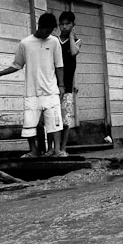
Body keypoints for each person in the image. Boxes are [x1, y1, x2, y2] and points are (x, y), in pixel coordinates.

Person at [0, 13, 65, 157]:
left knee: (55, 121)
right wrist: (0, 73)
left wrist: (61, 86)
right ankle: (33, 151)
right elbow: (17, 64)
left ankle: (57, 151)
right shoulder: (25, 43)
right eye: (46, 30)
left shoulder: (54, 42)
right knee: (30, 123)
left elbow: (59, 65)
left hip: (50, 89)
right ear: (39, 27)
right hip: (32, 91)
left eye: (50, 31)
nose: (47, 34)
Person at [48, 10, 81, 155]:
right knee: (50, 117)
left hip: (67, 85)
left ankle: (63, 148)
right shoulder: (54, 40)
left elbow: (73, 52)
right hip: (52, 83)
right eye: (62, 24)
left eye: (68, 24)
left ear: (73, 25)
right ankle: (50, 148)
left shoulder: (76, 41)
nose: (64, 27)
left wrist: (72, 37)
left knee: (66, 119)